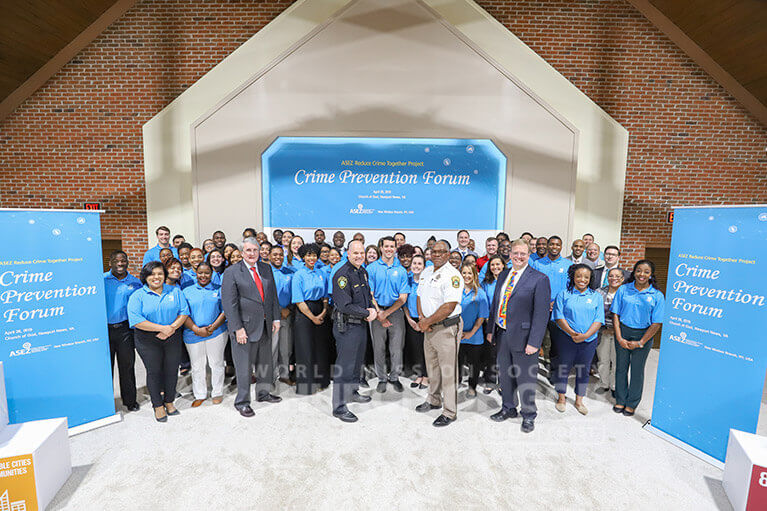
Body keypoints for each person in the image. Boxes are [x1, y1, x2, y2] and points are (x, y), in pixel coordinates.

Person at [487, 239, 550, 433]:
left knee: (525, 378)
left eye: (523, 253)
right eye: (515, 253)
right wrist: (491, 329)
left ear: (528, 254)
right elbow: (496, 304)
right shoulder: (504, 274)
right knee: (505, 376)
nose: (519, 257)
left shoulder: (539, 278)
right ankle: (508, 407)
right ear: (510, 254)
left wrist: (534, 342)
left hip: (525, 339)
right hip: (502, 333)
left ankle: (529, 414)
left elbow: (541, 314)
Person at [221, 237, 282, 418]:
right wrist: (237, 328)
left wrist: (276, 318)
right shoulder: (232, 272)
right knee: (243, 367)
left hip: (265, 324)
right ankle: (242, 401)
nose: (252, 253)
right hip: (244, 328)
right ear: (242, 253)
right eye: (248, 250)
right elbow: (229, 303)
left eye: (255, 250)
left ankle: (263, 393)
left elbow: (272, 296)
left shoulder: (266, 268)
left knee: (265, 363)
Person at [127, 261, 190, 422]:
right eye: (152, 274)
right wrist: (161, 329)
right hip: (147, 339)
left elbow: (183, 312)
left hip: (172, 335)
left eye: (160, 274)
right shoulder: (138, 296)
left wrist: (171, 328)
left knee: (171, 370)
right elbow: (136, 320)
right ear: (145, 276)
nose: (156, 277)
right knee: (154, 371)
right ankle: (158, 405)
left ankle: (169, 402)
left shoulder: (175, 291)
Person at [414, 240, 464, 427]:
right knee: (432, 367)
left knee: (448, 370)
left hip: (446, 328)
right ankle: (433, 399)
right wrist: (421, 317)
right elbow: (420, 296)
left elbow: (449, 306)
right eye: (433, 251)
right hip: (428, 328)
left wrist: (426, 322)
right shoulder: (427, 271)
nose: (436, 254)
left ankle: (450, 411)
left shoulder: (452, 275)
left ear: (448, 254)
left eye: (441, 252)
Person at [329, 240, 377, 422]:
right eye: (355, 253)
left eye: (361, 253)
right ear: (347, 254)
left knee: (357, 362)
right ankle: (339, 407)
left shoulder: (362, 271)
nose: (359, 256)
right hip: (347, 326)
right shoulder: (342, 275)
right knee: (345, 366)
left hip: (361, 324)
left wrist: (371, 309)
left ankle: (352, 392)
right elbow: (344, 304)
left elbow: (367, 296)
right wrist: (367, 312)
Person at [611, 260, 665, 417]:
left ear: (651, 275)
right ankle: (620, 400)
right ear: (634, 272)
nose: (642, 274)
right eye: (639, 271)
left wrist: (641, 342)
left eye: (646, 272)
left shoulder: (657, 295)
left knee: (637, 370)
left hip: (644, 335)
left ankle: (632, 403)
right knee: (621, 368)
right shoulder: (623, 290)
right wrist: (619, 336)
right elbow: (615, 314)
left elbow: (656, 323)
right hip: (623, 332)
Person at [552, 264, 604, 415]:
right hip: (566, 339)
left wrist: (586, 335)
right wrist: (572, 333)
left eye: (586, 277)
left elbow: (598, 319)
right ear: (573, 277)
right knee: (563, 368)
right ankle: (561, 398)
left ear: (590, 279)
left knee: (583, 370)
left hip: (588, 341)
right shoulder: (563, 294)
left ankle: (579, 401)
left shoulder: (596, 296)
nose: (582, 279)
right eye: (579, 276)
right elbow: (559, 316)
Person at [182, 262, 227, 407]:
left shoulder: (219, 290)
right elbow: (183, 313)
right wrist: (196, 329)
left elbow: (224, 311)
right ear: (196, 273)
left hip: (216, 333)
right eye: (200, 273)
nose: (203, 276)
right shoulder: (187, 291)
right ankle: (200, 394)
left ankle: (217, 392)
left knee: (217, 363)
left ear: (212, 274)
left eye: (207, 273)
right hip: (192, 334)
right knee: (197, 365)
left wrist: (213, 327)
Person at [367, 236, 409, 392]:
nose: (389, 249)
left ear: (395, 249)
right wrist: (379, 313)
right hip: (376, 312)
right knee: (378, 347)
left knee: (397, 348)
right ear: (381, 248)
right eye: (386, 246)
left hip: (395, 313)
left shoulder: (401, 270)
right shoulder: (371, 268)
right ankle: (382, 378)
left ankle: (395, 377)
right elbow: (369, 294)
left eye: (392, 246)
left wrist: (386, 314)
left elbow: (403, 298)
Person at [104, 250, 142, 412]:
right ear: (110, 263)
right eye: (116, 261)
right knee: (106, 368)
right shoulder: (101, 280)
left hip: (125, 330)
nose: (120, 264)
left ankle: (130, 401)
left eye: (123, 261)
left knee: (127, 367)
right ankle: (105, 403)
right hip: (104, 330)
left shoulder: (135, 282)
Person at [291, 243, 331, 394]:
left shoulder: (321, 273)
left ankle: (322, 381)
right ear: (303, 257)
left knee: (320, 348)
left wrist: (324, 311)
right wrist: (312, 317)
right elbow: (299, 300)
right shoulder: (299, 275)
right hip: (304, 313)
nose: (312, 258)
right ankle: (305, 385)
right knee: (304, 349)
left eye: (314, 255)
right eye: (308, 255)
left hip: (320, 310)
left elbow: (326, 295)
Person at [530, 235, 572, 374]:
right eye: (552, 244)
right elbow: (533, 286)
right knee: (536, 338)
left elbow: (570, 287)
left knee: (556, 342)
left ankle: (554, 372)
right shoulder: (538, 264)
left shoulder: (568, 265)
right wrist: (544, 301)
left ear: (561, 247)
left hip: (558, 309)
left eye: (557, 245)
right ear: (547, 246)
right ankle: (531, 370)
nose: (554, 247)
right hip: (540, 308)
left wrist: (556, 301)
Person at [458, 263, 489, 398]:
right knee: (456, 362)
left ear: (475, 275)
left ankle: (472, 386)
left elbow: (482, 316)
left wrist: (471, 333)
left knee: (473, 364)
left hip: (474, 336)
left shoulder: (480, 293)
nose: (466, 276)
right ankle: (456, 382)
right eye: (464, 273)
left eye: (469, 273)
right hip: (457, 334)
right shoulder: (455, 291)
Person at [595, 267, 625, 394]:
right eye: (611, 276)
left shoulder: (627, 293)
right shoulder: (598, 292)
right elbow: (594, 312)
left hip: (621, 334)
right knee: (603, 360)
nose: (614, 279)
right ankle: (604, 383)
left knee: (617, 361)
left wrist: (617, 330)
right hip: (603, 332)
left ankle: (614, 386)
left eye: (617, 276)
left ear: (622, 279)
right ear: (607, 278)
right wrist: (603, 328)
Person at [269, 245, 295, 385]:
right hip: (273, 316)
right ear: (269, 256)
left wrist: (289, 309)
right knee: (272, 348)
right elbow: (265, 296)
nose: (278, 257)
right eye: (275, 254)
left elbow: (294, 293)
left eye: (280, 254)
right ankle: (272, 377)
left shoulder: (289, 273)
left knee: (286, 348)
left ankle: (285, 375)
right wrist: (279, 310)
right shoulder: (265, 273)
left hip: (288, 314)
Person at [480, 255, 505, 394]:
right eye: (492, 265)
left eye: (498, 264)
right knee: (490, 354)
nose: (495, 267)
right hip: (489, 323)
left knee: (503, 354)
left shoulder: (508, 282)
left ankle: (503, 383)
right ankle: (490, 381)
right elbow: (483, 302)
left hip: (504, 323)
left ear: (503, 266)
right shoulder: (485, 283)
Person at [404, 254, 428, 389]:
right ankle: (419, 374)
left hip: (425, 320)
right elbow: (405, 303)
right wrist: (409, 319)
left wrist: (423, 320)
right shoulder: (407, 280)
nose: (416, 266)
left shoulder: (427, 281)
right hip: (411, 320)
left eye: (419, 264)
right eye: (414, 263)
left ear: (424, 267)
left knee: (427, 350)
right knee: (416, 349)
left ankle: (427, 376)